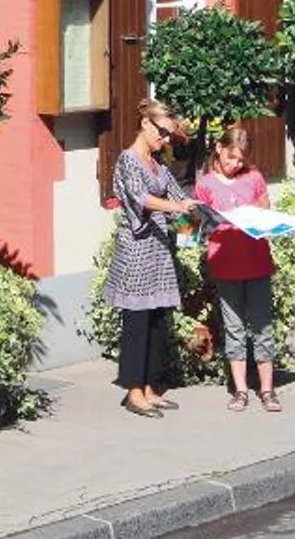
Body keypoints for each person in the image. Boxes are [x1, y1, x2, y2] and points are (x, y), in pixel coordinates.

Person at [107, 98, 200, 418]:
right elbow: (140, 198)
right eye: (163, 133)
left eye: (169, 136)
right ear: (146, 124)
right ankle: (133, 392)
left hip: (159, 252)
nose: (165, 140)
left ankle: (150, 388)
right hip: (136, 251)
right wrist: (177, 208)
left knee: (159, 322)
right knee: (137, 323)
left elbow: (179, 197)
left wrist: (200, 216)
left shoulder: (159, 166)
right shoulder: (128, 161)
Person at [194, 124, 282, 412]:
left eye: (241, 160)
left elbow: (265, 213)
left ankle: (267, 390)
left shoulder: (254, 178)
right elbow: (196, 225)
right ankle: (240, 390)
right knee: (233, 329)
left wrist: (258, 219)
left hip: (256, 262)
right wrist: (203, 225)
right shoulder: (205, 184)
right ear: (219, 149)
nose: (235, 165)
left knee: (261, 326)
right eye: (231, 158)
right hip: (226, 265)